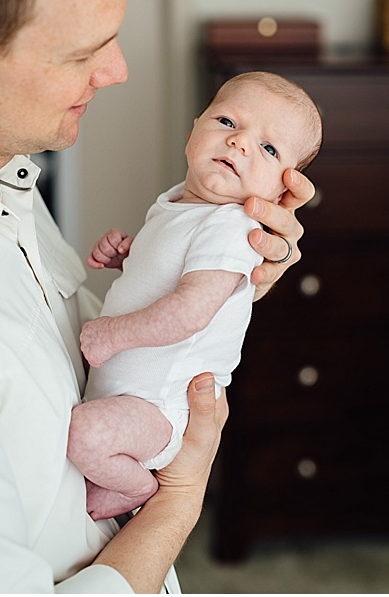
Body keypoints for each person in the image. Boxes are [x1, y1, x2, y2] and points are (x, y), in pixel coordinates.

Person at [0, 0, 313, 593]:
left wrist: (227, 277)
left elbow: (65, 344)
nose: (117, 71)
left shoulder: (9, 185)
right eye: (82, 50)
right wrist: (177, 500)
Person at [73, 72, 324, 520]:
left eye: (269, 148)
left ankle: (136, 488)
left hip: (160, 408)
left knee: (84, 436)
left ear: (283, 192)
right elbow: (166, 277)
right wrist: (129, 259)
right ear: (192, 132)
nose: (240, 143)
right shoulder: (177, 205)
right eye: (227, 121)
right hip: (126, 392)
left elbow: (190, 311)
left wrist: (111, 334)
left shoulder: (229, 227)